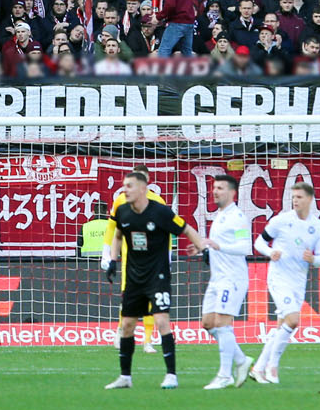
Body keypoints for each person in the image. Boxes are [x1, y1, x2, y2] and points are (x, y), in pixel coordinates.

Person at [104, 170, 206, 390]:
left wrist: (202, 248)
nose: (125, 189)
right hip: (133, 277)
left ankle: (171, 374)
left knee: (161, 321)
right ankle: (125, 377)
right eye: (124, 186)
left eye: (129, 186)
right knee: (128, 325)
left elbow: (186, 229)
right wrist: (113, 260)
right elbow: (118, 235)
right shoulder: (122, 211)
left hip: (157, 277)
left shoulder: (160, 212)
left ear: (143, 188)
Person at [249, 182, 320, 385]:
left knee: (282, 326)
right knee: (293, 320)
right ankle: (272, 367)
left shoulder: (317, 227)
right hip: (278, 278)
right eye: (294, 197)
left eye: (300, 197)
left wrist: (313, 260)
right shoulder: (281, 221)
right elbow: (259, 241)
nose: (295, 200)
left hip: (298, 281)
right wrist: (269, 252)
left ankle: (257, 368)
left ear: (310, 199)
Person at [200, 174, 254, 389]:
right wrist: (205, 248)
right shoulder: (219, 216)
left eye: (220, 188)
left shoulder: (238, 217)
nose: (215, 191)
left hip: (232, 279)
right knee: (208, 323)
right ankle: (241, 360)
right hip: (217, 278)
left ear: (233, 193)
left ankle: (225, 375)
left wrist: (218, 246)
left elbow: (244, 247)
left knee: (222, 323)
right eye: (214, 187)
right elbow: (216, 245)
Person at [102, 163, 163, 354]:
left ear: (148, 181)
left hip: (152, 259)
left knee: (152, 299)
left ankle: (147, 341)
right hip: (130, 258)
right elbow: (113, 228)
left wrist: (167, 255)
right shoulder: (121, 200)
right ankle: (121, 333)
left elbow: (167, 231)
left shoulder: (158, 202)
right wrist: (108, 253)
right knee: (128, 298)